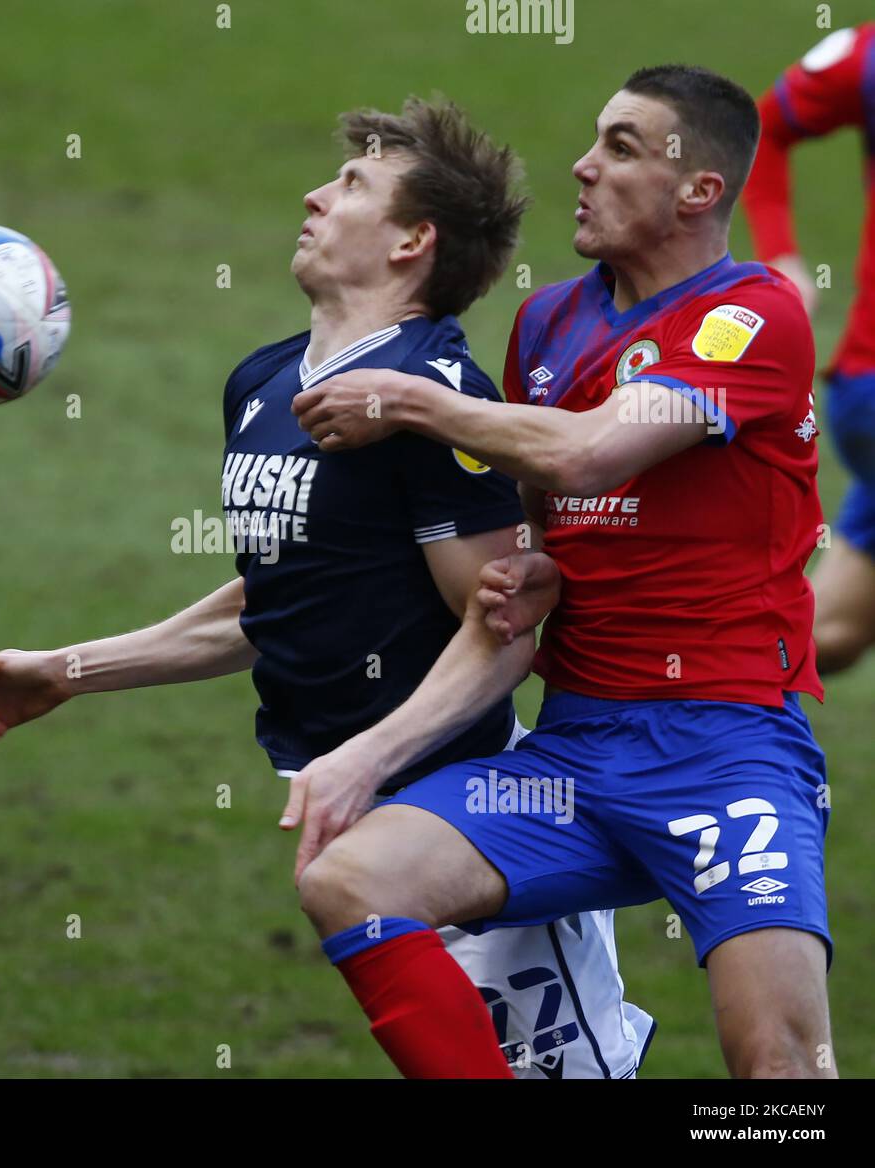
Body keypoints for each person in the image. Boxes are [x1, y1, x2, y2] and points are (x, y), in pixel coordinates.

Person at [0, 96, 653, 1079]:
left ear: (410, 242)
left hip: (466, 821)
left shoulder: (437, 401)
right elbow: (279, 597)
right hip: (361, 827)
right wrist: (69, 668)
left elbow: (504, 626)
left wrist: (367, 756)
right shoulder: (264, 386)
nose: (313, 195)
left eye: (351, 186)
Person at [291, 66, 833, 1079]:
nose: (583, 165)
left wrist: (413, 401)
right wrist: (527, 575)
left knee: (780, 1070)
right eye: (595, 139)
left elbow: (591, 452)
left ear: (697, 191)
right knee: (352, 878)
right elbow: (543, 517)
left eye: (622, 147)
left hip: (726, 750)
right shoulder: (546, 325)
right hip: (574, 757)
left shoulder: (753, 317)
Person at [742, 25, 875, 674]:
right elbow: (763, 127)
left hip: (862, 395)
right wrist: (781, 256)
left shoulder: (864, 52)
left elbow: (762, 126)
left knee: (831, 633)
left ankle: (674, 672)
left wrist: (782, 256)